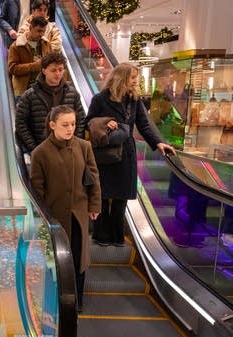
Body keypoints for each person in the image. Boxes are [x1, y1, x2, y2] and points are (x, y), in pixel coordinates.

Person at [85, 63, 175, 247]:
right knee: (101, 194)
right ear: (121, 78)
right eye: (133, 77)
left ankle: (117, 236)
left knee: (121, 197)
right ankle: (101, 235)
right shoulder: (100, 99)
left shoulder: (134, 100)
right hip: (105, 153)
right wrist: (104, 123)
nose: (136, 81)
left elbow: (144, 124)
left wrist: (158, 142)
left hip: (126, 153)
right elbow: (88, 122)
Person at [30, 105, 101, 313]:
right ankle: (57, 301)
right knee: (56, 261)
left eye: (73, 124)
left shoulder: (84, 146)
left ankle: (77, 300)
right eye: (65, 125)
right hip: (55, 217)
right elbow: (37, 190)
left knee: (78, 259)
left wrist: (94, 204)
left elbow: (93, 178)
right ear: (52, 125)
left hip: (79, 214)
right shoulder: (40, 153)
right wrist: (42, 218)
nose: (70, 128)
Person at [15, 52, 85, 154]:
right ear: (44, 70)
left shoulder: (72, 93)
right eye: (53, 70)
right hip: (42, 150)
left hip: (68, 150)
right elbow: (21, 124)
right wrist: (34, 148)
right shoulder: (30, 95)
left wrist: (74, 144)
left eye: (61, 69)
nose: (58, 73)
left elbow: (81, 119)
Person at [8, 16, 51, 98]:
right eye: (38, 31)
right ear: (31, 28)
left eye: (43, 31)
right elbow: (12, 68)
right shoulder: (16, 46)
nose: (41, 34)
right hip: (23, 91)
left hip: (43, 90)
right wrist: (33, 66)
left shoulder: (46, 44)